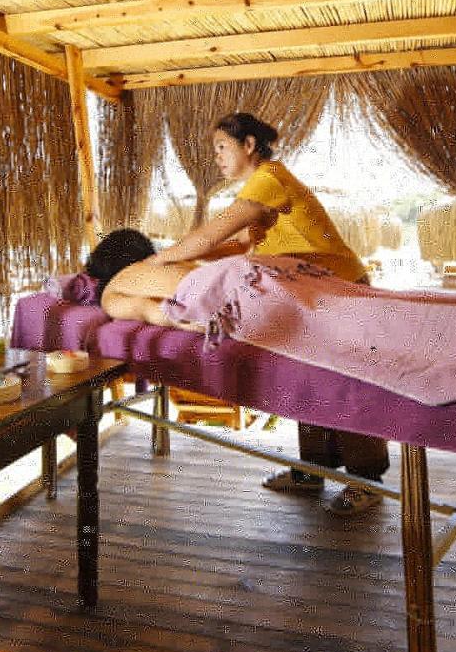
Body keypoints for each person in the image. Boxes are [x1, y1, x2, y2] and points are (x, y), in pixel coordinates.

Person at [130, 112, 389, 516]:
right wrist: (172, 262)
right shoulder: (260, 191)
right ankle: (312, 471)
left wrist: (154, 262)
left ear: (249, 145)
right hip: (311, 294)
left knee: (345, 382)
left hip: (342, 291)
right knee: (306, 378)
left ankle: (367, 480)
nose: (216, 156)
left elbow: (211, 235)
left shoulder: (269, 179)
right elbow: (234, 244)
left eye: (222, 147)